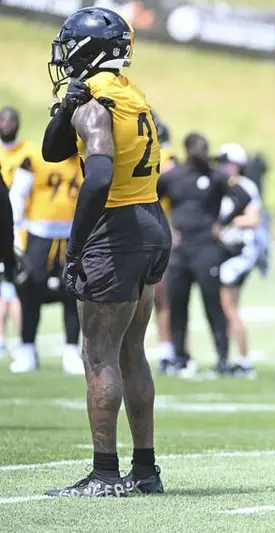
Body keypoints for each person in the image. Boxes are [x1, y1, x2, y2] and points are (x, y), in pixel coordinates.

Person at [42, 7, 171, 496]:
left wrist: (76, 245)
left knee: (98, 355)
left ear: (86, 49)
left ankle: (104, 474)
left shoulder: (95, 104)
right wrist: (65, 109)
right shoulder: (129, 94)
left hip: (115, 230)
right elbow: (55, 150)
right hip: (150, 220)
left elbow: (96, 176)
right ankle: (145, 471)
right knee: (132, 351)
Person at [158, 134, 252, 377]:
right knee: (177, 304)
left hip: (207, 249)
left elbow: (243, 197)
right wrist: (165, 228)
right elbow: (151, 199)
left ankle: (222, 358)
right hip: (180, 250)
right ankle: (180, 356)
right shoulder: (173, 176)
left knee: (214, 306)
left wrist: (223, 222)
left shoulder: (216, 177)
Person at [9, 150, 85, 375]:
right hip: (38, 235)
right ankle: (27, 348)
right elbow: (17, 196)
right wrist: (15, 233)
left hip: (72, 235)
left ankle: (71, 350)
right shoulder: (33, 159)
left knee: (73, 292)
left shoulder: (86, 159)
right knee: (30, 291)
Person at [214, 143, 263, 378]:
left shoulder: (244, 187)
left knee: (230, 307)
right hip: (223, 249)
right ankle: (229, 358)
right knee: (225, 307)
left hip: (239, 251)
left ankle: (243, 359)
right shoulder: (219, 185)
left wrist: (227, 223)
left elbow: (253, 219)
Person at [151, 111, 177, 366]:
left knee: (160, 294)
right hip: (147, 226)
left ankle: (166, 347)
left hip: (159, 227)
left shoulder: (167, 158)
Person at [0, 107, 26, 354]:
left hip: (19, 224)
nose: (6, 124)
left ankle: (19, 340)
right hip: (6, 221)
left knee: (13, 286)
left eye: (10, 120)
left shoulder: (28, 153)